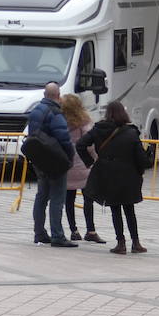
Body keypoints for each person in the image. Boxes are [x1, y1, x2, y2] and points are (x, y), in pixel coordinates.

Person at [76, 99, 151, 254]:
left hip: (107, 174)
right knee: (129, 210)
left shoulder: (98, 129)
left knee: (115, 209)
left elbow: (81, 144)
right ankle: (136, 242)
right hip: (128, 175)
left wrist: (90, 161)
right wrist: (144, 165)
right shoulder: (131, 133)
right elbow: (141, 158)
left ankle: (121, 243)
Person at [27, 81, 77, 248]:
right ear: (58, 95)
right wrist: (70, 158)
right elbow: (64, 139)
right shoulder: (55, 113)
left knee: (41, 196)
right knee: (57, 198)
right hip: (54, 161)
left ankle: (39, 233)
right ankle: (57, 235)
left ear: (44, 94)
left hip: (39, 160)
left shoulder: (35, 111)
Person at [61, 93, 102, 244]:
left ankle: (73, 230)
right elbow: (91, 146)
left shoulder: (60, 121)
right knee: (88, 199)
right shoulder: (84, 122)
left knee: (69, 199)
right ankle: (91, 230)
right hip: (84, 165)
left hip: (67, 165)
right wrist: (95, 159)